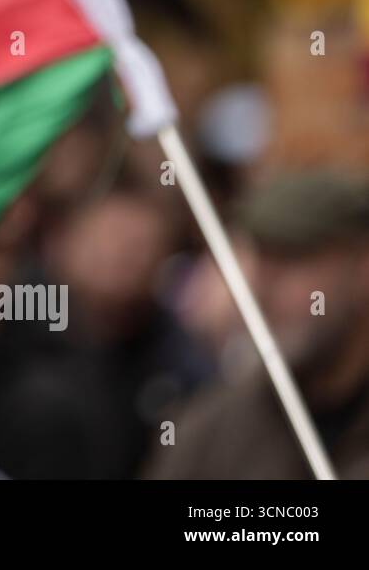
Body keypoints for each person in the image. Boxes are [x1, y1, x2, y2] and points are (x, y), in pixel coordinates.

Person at [145, 170, 369, 478]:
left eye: (292, 260)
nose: (263, 289)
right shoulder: (211, 431)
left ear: (362, 266)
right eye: (261, 261)